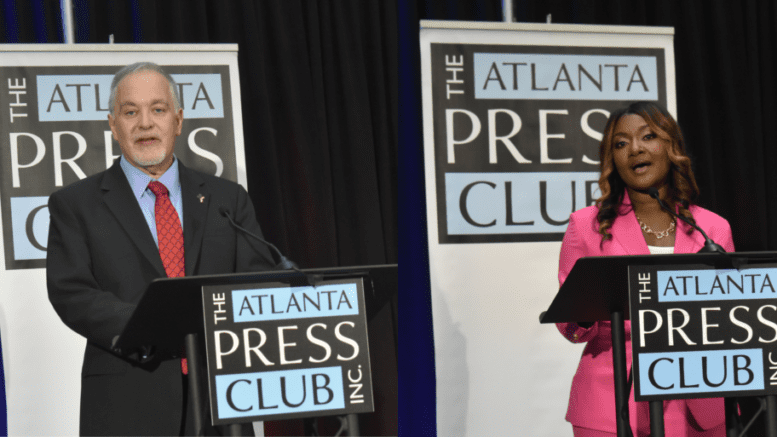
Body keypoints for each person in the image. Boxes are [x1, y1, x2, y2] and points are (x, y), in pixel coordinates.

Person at [46, 62, 276, 435]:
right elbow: (71, 292)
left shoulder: (227, 199)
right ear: (113, 125)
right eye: (130, 111)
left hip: (220, 401)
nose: (145, 123)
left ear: (178, 120)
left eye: (158, 109)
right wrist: (151, 323)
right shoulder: (76, 204)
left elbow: (258, 281)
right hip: (129, 401)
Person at [556, 101, 734, 437]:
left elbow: (730, 317)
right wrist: (584, 308)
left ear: (671, 146)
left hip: (698, 401)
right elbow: (570, 327)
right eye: (620, 144)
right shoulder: (585, 226)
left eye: (648, 136)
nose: (635, 149)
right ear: (613, 159)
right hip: (613, 404)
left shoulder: (713, 228)